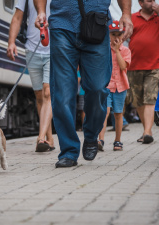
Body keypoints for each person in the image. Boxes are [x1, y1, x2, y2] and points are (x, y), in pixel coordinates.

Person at [34, 0, 133, 167]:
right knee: (62, 93)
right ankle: (68, 151)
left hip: (97, 23)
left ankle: (92, 134)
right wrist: (41, 11)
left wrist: (126, 14)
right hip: (61, 24)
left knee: (97, 89)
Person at [7, 0, 54, 152]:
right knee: (39, 96)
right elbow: (17, 17)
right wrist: (11, 42)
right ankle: (49, 138)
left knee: (48, 93)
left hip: (53, 50)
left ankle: (40, 138)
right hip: (32, 49)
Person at [127, 0, 159, 144]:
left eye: (154, 0)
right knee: (138, 101)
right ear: (141, 3)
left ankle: (148, 131)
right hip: (134, 65)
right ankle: (145, 130)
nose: (152, 2)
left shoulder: (158, 17)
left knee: (150, 98)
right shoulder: (132, 18)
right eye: (149, 0)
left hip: (155, 65)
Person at [98, 20, 131, 151]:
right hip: (106, 85)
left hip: (121, 86)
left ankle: (118, 141)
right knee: (104, 112)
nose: (116, 37)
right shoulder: (104, 50)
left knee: (118, 114)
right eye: (113, 34)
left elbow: (123, 66)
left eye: (119, 34)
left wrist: (117, 51)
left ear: (123, 35)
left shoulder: (126, 50)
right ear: (108, 35)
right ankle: (100, 139)